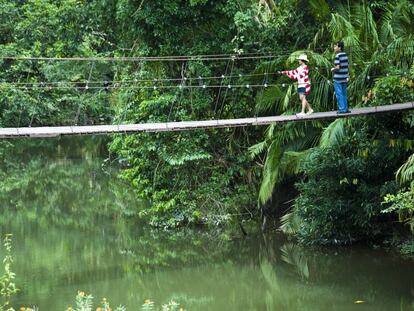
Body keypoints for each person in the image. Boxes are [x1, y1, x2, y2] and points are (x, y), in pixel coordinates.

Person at [331, 41, 350, 113]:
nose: (334, 48)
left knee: (339, 94)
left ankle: (342, 109)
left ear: (339, 48)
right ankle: (346, 109)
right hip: (344, 77)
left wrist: (333, 69)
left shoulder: (337, 56)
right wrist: (347, 75)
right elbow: (347, 66)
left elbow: (338, 67)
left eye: (335, 46)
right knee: (344, 93)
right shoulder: (345, 55)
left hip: (338, 78)